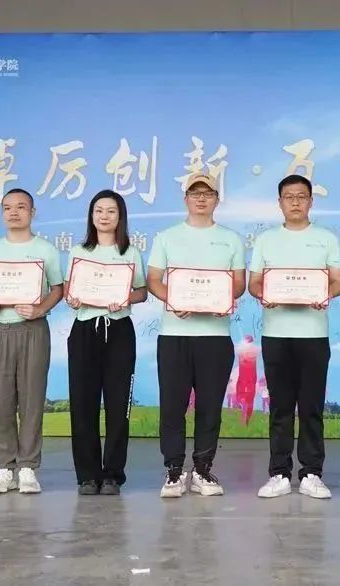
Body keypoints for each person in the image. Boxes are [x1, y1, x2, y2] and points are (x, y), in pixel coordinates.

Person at [146, 172, 246, 498]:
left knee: (210, 407)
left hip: (215, 336)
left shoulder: (231, 239)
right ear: (185, 198)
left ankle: (202, 469)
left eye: (208, 193)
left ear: (217, 199)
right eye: (195, 193)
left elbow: (239, 284)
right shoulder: (166, 238)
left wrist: (222, 300)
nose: (201, 199)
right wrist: (174, 300)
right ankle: (174, 470)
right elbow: (154, 279)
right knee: (172, 406)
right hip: (174, 334)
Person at [250, 174, 340, 500]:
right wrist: (264, 294)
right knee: (280, 407)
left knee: (311, 407)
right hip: (276, 334)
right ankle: (278, 473)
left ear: (310, 202)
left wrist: (325, 294)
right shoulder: (266, 240)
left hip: (314, 335)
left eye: (301, 196)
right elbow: (254, 283)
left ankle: (311, 473)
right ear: (279, 203)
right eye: (288, 196)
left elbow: (337, 282)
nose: (295, 202)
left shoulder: (326, 239)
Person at [0, 189, 64, 495]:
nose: (13, 213)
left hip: (33, 330)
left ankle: (28, 466)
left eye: (21, 207)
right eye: (7, 208)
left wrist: (40, 309)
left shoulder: (45, 250)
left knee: (31, 399)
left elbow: (58, 288)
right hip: (0, 330)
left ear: (33, 212)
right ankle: (5, 466)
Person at [66, 190, 148, 496]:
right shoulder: (78, 251)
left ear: (120, 216)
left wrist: (126, 298)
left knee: (118, 405)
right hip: (85, 330)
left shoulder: (130, 252)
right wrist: (72, 298)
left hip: (119, 331)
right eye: (98, 210)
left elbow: (142, 292)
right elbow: (69, 291)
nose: (104, 216)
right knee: (83, 404)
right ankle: (88, 476)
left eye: (111, 211)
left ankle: (113, 474)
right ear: (91, 216)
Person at [236, 335, 259, 426]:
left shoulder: (246, 350)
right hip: (248, 378)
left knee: (247, 398)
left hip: (247, 378)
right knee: (248, 398)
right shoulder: (250, 350)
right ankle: (245, 418)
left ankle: (245, 418)